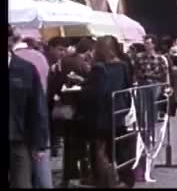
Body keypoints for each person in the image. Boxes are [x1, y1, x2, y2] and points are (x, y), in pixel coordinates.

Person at [80, 36, 133, 188]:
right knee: (119, 149)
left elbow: (96, 93)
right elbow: (126, 87)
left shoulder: (98, 68)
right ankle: (125, 179)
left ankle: (104, 180)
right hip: (119, 112)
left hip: (101, 115)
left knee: (99, 148)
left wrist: (84, 87)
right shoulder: (123, 66)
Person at [48, 36, 93, 187]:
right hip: (79, 110)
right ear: (88, 51)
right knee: (80, 144)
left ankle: (68, 177)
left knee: (68, 144)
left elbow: (53, 84)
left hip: (64, 108)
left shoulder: (63, 61)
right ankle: (81, 175)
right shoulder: (83, 65)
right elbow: (89, 86)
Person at [9, 25, 50, 189]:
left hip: (18, 139)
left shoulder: (25, 69)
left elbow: (37, 108)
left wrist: (39, 143)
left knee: (22, 183)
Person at [131, 34, 169, 182]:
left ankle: (151, 124)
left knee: (151, 105)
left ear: (153, 45)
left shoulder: (160, 59)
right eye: (145, 43)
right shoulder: (139, 58)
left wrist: (165, 86)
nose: (147, 45)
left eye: (149, 43)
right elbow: (135, 72)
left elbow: (164, 74)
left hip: (154, 84)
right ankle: (143, 126)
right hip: (142, 83)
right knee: (141, 107)